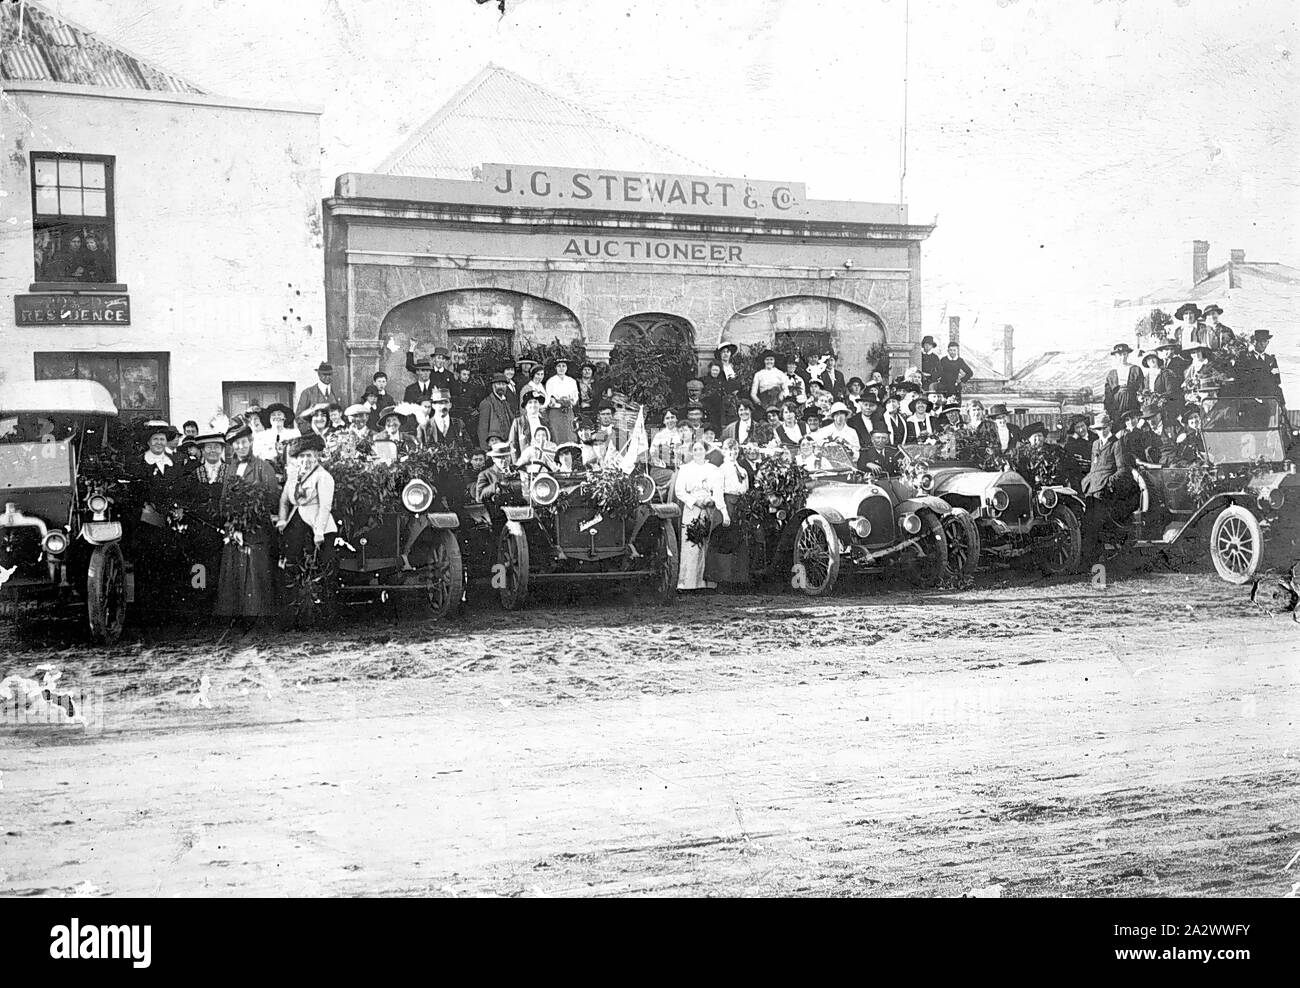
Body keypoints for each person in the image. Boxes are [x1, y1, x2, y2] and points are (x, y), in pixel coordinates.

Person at [214, 424, 279, 622]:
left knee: (255, 570)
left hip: (256, 528)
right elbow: (225, 497)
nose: (241, 447)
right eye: (236, 444)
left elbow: (271, 497)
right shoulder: (231, 468)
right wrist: (232, 524)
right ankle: (235, 614)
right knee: (234, 567)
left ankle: (257, 615)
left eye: (244, 442)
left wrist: (250, 517)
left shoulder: (263, 466)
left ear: (251, 443)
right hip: (234, 527)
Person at [277, 433, 337, 609]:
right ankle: (296, 611)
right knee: (293, 568)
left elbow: (325, 507)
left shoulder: (323, 477)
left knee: (320, 570)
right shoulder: (294, 476)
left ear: (317, 456)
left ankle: (321, 613)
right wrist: (282, 520)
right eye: (301, 456)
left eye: (309, 455)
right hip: (296, 525)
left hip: (319, 528)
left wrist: (318, 532)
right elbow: (284, 501)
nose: (305, 460)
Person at [1080, 416, 1138, 563]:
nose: (1102, 432)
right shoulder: (1095, 444)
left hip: (1106, 487)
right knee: (1086, 519)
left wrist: (1108, 483)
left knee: (1097, 520)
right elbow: (1094, 468)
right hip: (1092, 485)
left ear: (1109, 428)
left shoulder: (1116, 444)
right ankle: (1087, 556)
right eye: (1099, 429)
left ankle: (1098, 556)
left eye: (1104, 429)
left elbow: (1122, 470)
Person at [676, 440, 727, 591]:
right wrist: (695, 501)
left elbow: (718, 491)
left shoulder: (713, 469)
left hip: (709, 508)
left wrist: (711, 501)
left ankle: (707, 582)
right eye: (695, 449)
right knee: (692, 543)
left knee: (707, 544)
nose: (698, 452)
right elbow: (679, 491)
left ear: (705, 451)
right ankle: (688, 583)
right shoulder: (685, 469)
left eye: (701, 449)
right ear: (692, 452)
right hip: (692, 508)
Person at [705, 439, 751, 587]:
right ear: (724, 451)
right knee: (725, 542)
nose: (733, 453)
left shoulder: (742, 470)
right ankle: (722, 581)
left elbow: (745, 489)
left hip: (739, 506)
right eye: (729, 450)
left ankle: (738, 580)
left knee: (739, 541)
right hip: (726, 505)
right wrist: (724, 513)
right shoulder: (721, 470)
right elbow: (718, 492)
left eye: (735, 450)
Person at [649, 408, 691, 500]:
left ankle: (665, 493)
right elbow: (652, 456)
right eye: (667, 418)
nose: (670, 420)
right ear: (664, 421)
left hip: (680, 467)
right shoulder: (659, 435)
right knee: (676, 476)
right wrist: (667, 462)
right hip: (660, 470)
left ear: (676, 419)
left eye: (673, 417)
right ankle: (668, 497)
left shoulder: (681, 433)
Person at [1103, 343, 1143, 422]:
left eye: (1125, 354)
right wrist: (1107, 408)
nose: (1123, 357)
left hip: (1131, 400)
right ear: (1116, 356)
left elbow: (1141, 386)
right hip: (1117, 403)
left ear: (1128, 355)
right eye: (1120, 355)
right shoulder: (1112, 373)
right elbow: (1108, 394)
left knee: (1132, 421)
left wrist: (1140, 397)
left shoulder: (1136, 369)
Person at [478, 373, 516, 451]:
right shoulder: (486, 403)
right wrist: (486, 449)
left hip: (506, 444)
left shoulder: (505, 402)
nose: (501, 386)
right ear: (493, 386)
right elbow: (482, 429)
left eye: (503, 384)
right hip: (494, 446)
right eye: (499, 384)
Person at [508, 391, 549, 462]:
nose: (533, 405)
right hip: (525, 461)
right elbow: (513, 445)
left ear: (539, 405)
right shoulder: (518, 422)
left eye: (535, 402)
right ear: (526, 406)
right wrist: (517, 465)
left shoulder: (545, 422)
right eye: (530, 402)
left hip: (542, 460)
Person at [700, 362, 728, 435]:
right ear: (710, 370)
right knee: (701, 427)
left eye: (717, 370)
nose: (715, 372)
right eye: (713, 370)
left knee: (716, 428)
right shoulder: (704, 380)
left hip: (717, 410)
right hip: (705, 407)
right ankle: (698, 441)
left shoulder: (722, 383)